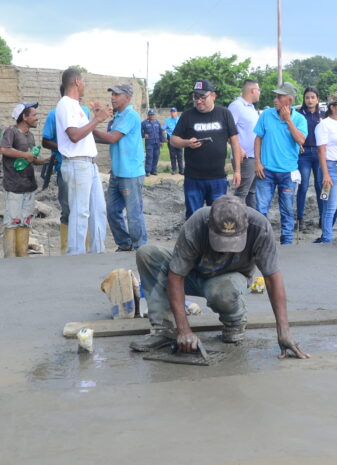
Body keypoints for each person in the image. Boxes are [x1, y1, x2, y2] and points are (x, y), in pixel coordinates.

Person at [129, 195, 310, 359]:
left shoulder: (260, 228)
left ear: (246, 227)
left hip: (228, 280)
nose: (225, 249)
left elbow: (272, 279)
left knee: (222, 290)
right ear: (210, 225)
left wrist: (283, 331)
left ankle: (234, 322)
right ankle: (163, 330)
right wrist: (184, 330)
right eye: (220, 240)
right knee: (147, 254)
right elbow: (176, 277)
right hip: (194, 273)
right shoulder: (197, 223)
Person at [55, 67, 112, 255]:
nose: (84, 85)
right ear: (77, 82)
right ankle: (76, 255)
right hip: (77, 163)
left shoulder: (77, 106)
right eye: (84, 82)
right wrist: (97, 119)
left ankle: (97, 253)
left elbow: (84, 133)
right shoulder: (65, 104)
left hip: (89, 164)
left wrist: (94, 117)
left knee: (98, 211)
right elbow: (74, 136)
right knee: (80, 212)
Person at [170, 79, 242, 219]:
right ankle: (195, 241)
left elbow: (234, 142)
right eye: (196, 97)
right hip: (193, 179)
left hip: (218, 178)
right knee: (193, 217)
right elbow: (173, 140)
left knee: (217, 218)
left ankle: (213, 242)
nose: (199, 101)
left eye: (203, 97)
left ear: (213, 96)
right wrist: (186, 142)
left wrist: (237, 171)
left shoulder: (224, 114)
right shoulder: (187, 115)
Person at [93, 83, 147, 252]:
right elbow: (107, 139)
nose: (113, 97)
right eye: (112, 94)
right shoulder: (118, 116)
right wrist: (91, 127)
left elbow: (112, 138)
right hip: (117, 173)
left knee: (133, 214)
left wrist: (90, 126)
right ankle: (125, 244)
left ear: (127, 97)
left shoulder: (131, 115)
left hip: (131, 173)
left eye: (117, 94)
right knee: (112, 210)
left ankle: (140, 248)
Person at [254, 82, 307, 245]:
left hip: (288, 172)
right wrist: (257, 162)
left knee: (287, 209)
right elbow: (258, 139)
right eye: (275, 96)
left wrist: (288, 121)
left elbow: (301, 140)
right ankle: (259, 242)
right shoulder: (266, 115)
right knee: (261, 209)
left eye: (279, 96)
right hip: (266, 171)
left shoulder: (299, 119)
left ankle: (287, 241)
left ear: (289, 100)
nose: (275, 99)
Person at [41, 86, 92, 254]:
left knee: (84, 210)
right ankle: (66, 250)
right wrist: (63, 147)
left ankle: (84, 247)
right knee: (68, 209)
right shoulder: (54, 114)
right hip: (65, 166)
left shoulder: (84, 111)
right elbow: (45, 141)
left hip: (84, 166)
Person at [0, 102, 49, 258]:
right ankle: (10, 257)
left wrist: (46, 161)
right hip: (13, 186)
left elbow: (32, 159)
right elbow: (4, 149)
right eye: (33, 115)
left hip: (28, 185)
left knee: (25, 221)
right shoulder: (11, 132)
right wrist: (25, 155)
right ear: (24, 117)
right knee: (12, 222)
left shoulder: (30, 135)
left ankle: (22, 256)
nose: (37, 118)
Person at [314, 92, 337, 243]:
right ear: (333, 107)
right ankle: (327, 238)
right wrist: (325, 174)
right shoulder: (324, 125)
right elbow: (321, 150)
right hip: (332, 167)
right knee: (331, 207)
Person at [228, 79, 261, 208]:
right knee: (241, 193)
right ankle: (235, 222)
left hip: (254, 158)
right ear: (253, 90)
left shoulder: (251, 108)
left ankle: (250, 221)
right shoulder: (236, 106)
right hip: (244, 159)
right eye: (258, 90)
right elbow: (227, 130)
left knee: (251, 193)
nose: (259, 93)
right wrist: (239, 149)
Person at [296, 87, 325, 227]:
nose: (310, 100)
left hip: (320, 154)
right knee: (303, 186)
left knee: (321, 185)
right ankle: (300, 218)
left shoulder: (324, 115)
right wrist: (297, 144)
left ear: (317, 99)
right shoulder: (299, 114)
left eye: (313, 97)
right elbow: (292, 132)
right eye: (307, 97)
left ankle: (323, 217)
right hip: (304, 154)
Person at [141, 109, 164, 175]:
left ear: (154, 115)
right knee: (149, 156)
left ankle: (153, 170)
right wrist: (143, 135)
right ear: (148, 115)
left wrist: (162, 141)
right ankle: (147, 171)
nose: (152, 116)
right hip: (149, 143)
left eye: (153, 114)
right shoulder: (144, 123)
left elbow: (160, 132)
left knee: (156, 156)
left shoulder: (157, 122)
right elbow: (139, 130)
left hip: (157, 142)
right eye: (150, 114)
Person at [164, 107, 183, 175]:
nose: (173, 113)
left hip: (179, 138)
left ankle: (181, 170)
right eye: (171, 112)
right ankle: (174, 169)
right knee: (172, 155)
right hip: (171, 138)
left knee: (180, 155)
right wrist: (165, 136)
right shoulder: (167, 120)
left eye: (174, 112)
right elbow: (164, 129)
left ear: (176, 112)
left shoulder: (180, 120)